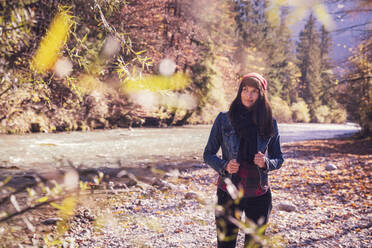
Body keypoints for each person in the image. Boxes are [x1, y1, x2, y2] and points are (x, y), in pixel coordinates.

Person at [203, 73, 284, 248]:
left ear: (261, 94)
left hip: (259, 194)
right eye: (245, 90)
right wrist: (224, 165)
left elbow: (279, 158)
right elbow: (208, 154)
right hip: (228, 192)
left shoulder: (270, 122)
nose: (249, 95)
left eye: (254, 91)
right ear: (239, 92)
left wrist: (266, 163)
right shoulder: (224, 119)